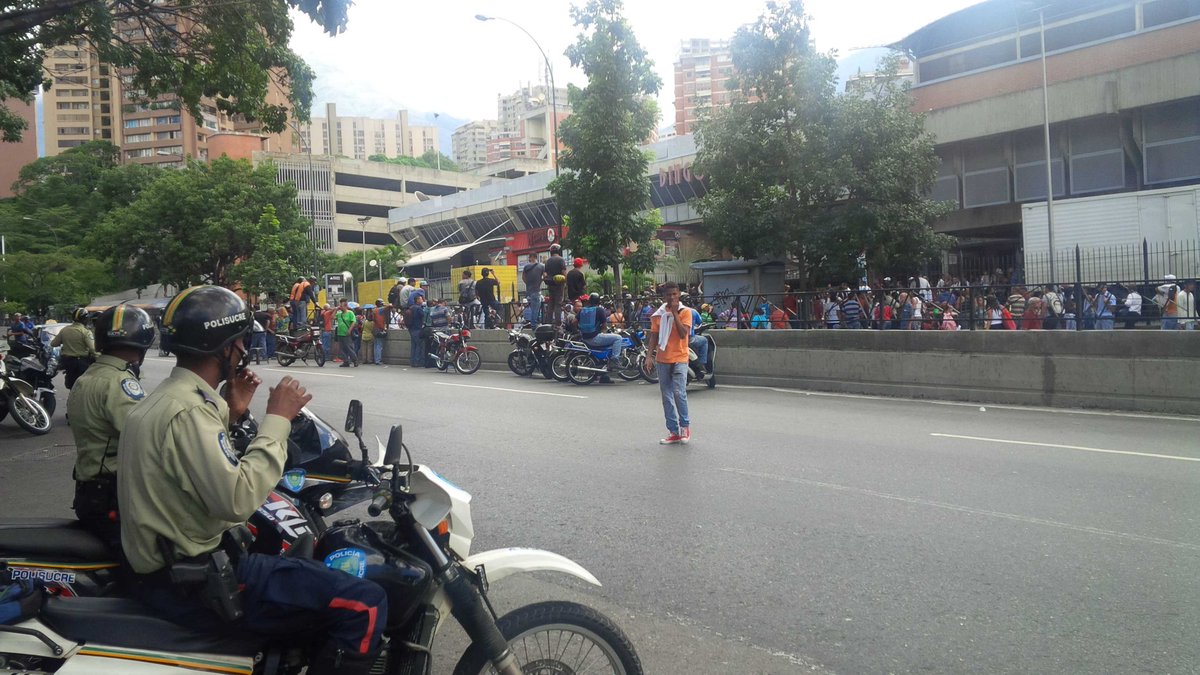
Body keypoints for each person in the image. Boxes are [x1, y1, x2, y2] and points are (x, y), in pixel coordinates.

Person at [117, 285, 386, 674]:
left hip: (170, 569)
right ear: (223, 346)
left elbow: (189, 463)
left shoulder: (167, 402)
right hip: (196, 582)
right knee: (366, 603)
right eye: (240, 340)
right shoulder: (189, 411)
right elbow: (238, 498)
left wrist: (233, 412)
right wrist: (278, 417)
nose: (245, 349)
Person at [67, 303, 154, 547]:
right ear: (143, 342)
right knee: (151, 569)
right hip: (111, 496)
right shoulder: (119, 383)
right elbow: (147, 437)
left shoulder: (90, 376)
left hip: (91, 491)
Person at [648, 282, 693, 445]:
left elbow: (683, 334)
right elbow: (653, 336)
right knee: (666, 395)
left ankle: (685, 427)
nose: (672, 297)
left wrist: (674, 314)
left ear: (679, 294)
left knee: (678, 392)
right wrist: (648, 356)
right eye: (669, 295)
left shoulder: (685, 312)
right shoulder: (658, 314)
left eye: (674, 294)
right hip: (662, 358)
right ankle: (673, 431)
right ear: (664, 296)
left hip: (680, 357)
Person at [578, 293, 621, 383]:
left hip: (584, 338)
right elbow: (604, 326)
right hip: (595, 338)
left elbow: (574, 322)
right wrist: (602, 331)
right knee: (618, 338)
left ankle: (603, 376)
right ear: (599, 301)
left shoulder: (582, 310)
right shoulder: (600, 310)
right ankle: (615, 360)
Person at [53, 307, 98, 389]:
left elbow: (54, 343)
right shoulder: (85, 332)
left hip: (68, 363)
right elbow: (93, 349)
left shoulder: (64, 330)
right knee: (84, 386)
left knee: (71, 386)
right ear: (84, 319)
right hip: (82, 363)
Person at [543, 244, 567, 327]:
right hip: (559, 285)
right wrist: (566, 281)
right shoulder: (561, 260)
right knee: (558, 304)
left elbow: (545, 274)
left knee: (551, 304)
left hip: (550, 284)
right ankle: (558, 323)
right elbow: (564, 272)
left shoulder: (548, 261)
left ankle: (548, 322)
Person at [334, 299, 359, 367]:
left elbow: (353, 322)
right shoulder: (339, 314)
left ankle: (355, 360)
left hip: (347, 334)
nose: (340, 307)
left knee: (349, 348)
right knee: (341, 349)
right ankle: (346, 361)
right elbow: (332, 317)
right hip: (340, 333)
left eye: (341, 306)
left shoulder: (350, 313)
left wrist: (349, 330)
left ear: (345, 306)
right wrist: (336, 310)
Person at [522, 254, 545, 324]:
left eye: (529, 257)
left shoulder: (526, 267)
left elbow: (523, 277)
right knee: (536, 310)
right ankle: (534, 325)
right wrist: (540, 281)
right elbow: (545, 276)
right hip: (536, 290)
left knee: (533, 309)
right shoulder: (542, 266)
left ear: (531, 257)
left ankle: (535, 323)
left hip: (528, 291)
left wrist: (527, 283)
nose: (529, 258)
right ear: (536, 257)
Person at [406, 294, 427, 368]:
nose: (422, 300)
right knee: (419, 345)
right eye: (421, 299)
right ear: (417, 300)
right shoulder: (418, 308)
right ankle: (417, 362)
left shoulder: (411, 308)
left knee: (413, 346)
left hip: (411, 328)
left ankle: (412, 362)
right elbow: (423, 316)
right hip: (417, 328)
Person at [371, 300, 390, 364]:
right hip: (379, 329)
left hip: (374, 328)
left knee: (376, 345)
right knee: (379, 345)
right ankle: (378, 360)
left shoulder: (374, 310)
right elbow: (389, 306)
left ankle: (376, 359)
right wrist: (383, 328)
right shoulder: (380, 310)